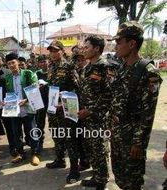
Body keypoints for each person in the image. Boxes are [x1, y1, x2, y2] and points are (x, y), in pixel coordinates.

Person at [108, 21, 163, 190]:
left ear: (132, 44)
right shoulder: (122, 68)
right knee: (120, 177)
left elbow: (148, 112)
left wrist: (138, 143)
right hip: (117, 134)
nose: (115, 46)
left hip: (132, 139)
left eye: (119, 42)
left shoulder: (148, 72)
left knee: (132, 181)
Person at [78, 35, 111, 189]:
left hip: (98, 118)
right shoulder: (87, 67)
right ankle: (96, 174)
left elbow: (110, 95)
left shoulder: (105, 66)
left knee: (100, 149)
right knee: (91, 147)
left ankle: (102, 180)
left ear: (97, 48)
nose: (83, 50)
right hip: (85, 116)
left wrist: (91, 111)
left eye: (86, 47)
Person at [45, 40, 80, 184]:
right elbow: (53, 86)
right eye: (51, 51)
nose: (53, 53)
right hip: (53, 108)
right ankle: (59, 160)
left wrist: (64, 103)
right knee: (56, 134)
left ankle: (74, 170)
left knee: (70, 139)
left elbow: (77, 88)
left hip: (66, 108)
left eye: (55, 50)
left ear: (62, 50)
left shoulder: (69, 66)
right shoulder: (51, 66)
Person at [4, 52, 41, 166]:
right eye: (9, 63)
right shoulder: (8, 77)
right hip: (14, 110)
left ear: (18, 62)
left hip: (28, 107)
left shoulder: (28, 73)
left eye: (13, 62)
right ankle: (20, 153)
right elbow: (8, 93)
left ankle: (35, 154)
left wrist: (26, 100)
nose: (11, 65)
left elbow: (35, 87)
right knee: (16, 133)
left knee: (32, 131)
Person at [35, 55, 49, 150]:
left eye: (44, 61)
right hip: (40, 101)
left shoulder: (53, 72)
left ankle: (59, 144)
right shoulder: (36, 73)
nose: (43, 64)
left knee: (54, 123)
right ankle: (40, 142)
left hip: (52, 100)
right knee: (39, 123)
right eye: (41, 62)